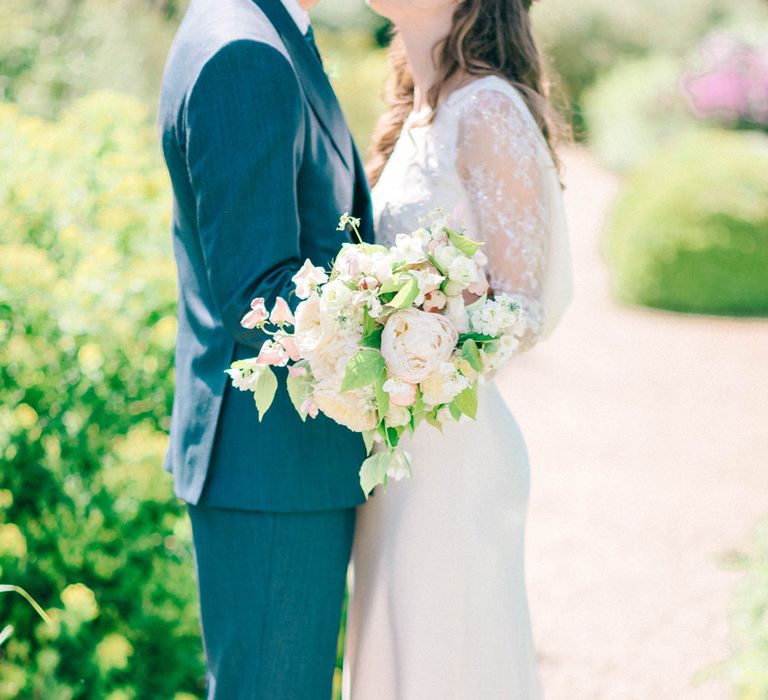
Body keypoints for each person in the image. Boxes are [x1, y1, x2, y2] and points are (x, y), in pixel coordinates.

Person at [343, 0, 574, 697]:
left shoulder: (486, 110)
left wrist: (417, 349)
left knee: (446, 660)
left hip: (454, 448)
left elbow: (522, 306)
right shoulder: (419, 115)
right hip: (395, 451)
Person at [158, 0, 373, 696]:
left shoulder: (263, 29)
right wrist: (399, 313)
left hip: (279, 465)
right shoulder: (243, 53)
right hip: (272, 463)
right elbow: (260, 296)